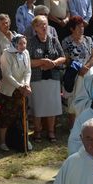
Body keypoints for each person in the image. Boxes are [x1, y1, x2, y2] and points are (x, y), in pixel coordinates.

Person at [27, 15, 65, 143]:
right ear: (35, 28)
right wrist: (42, 62)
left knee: (52, 106)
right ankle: (37, 132)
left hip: (52, 78)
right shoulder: (31, 42)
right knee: (38, 106)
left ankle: (51, 132)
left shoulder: (53, 40)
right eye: (40, 24)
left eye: (45, 24)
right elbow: (28, 61)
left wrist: (53, 63)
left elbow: (63, 57)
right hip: (37, 79)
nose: (44, 27)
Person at [0, 34, 31, 152]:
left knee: (23, 116)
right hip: (9, 91)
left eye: (25, 43)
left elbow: (28, 71)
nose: (23, 46)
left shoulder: (26, 53)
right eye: (21, 43)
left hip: (23, 89)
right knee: (7, 116)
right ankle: (2, 141)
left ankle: (23, 140)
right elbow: (7, 75)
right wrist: (19, 86)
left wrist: (26, 84)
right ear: (15, 43)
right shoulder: (6, 54)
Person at [62, 15, 93, 128]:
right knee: (74, 98)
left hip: (88, 72)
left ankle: (87, 125)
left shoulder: (88, 39)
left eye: (82, 26)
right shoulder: (66, 41)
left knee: (87, 97)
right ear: (72, 28)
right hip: (74, 73)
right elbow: (66, 59)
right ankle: (73, 126)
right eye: (78, 26)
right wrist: (79, 68)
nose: (82, 28)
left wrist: (86, 67)